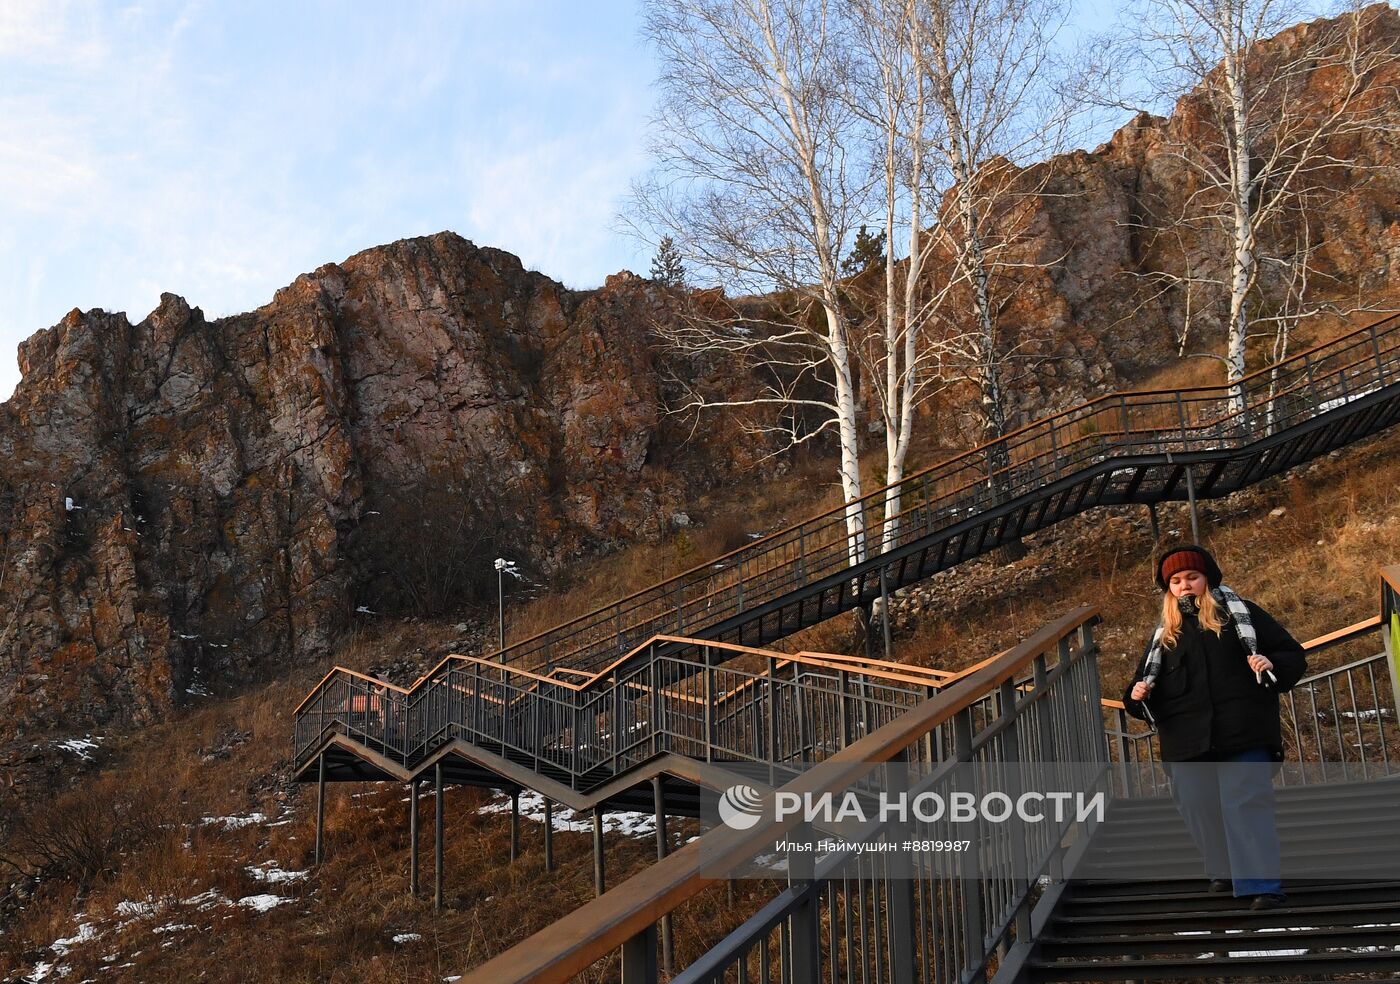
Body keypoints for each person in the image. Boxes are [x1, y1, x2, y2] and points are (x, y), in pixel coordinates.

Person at [1123, 544, 1306, 910]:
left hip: (1243, 730)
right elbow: (1139, 688)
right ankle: (1223, 870)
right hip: (1187, 741)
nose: (1184, 585)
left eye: (1192, 576)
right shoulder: (1165, 636)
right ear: (1169, 588)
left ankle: (1262, 885)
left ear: (1207, 578)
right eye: (1176, 581)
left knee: (1244, 804)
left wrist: (1270, 661)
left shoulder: (1242, 615)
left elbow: (1292, 655)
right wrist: (1135, 694)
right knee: (1196, 804)